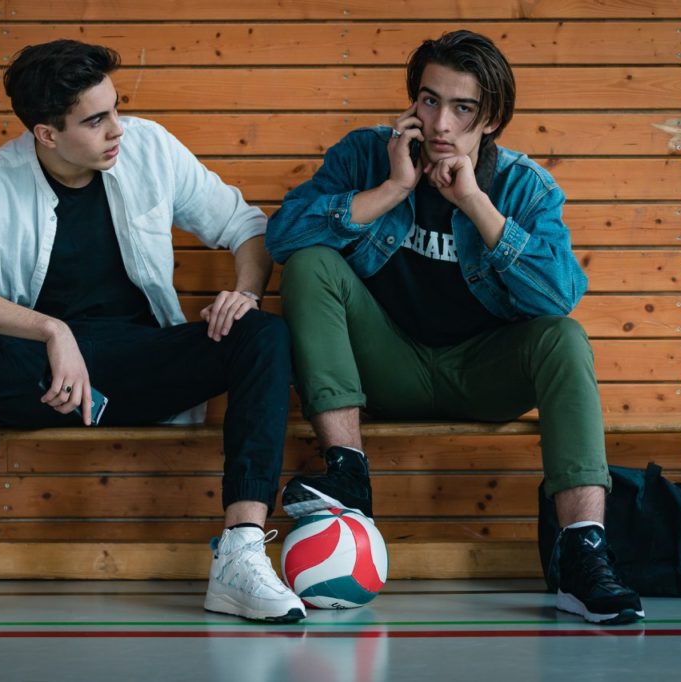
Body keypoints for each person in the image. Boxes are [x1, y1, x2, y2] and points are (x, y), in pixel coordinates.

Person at [0, 39, 305, 635]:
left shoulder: (149, 148)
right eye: (95, 120)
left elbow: (246, 225)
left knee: (261, 334)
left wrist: (244, 293)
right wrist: (50, 330)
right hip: (43, 379)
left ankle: (240, 553)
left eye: (116, 108)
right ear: (46, 134)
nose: (117, 130)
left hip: (142, 366)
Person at [264, 30, 644, 625]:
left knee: (564, 339)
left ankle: (582, 555)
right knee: (312, 262)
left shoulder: (524, 186)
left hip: (481, 375)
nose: (440, 123)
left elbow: (557, 297)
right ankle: (349, 475)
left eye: (463, 108)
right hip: (385, 367)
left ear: (490, 120)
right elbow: (283, 237)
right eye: (429, 100)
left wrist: (476, 205)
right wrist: (392, 189)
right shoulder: (366, 154)